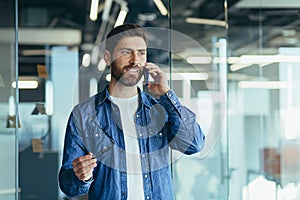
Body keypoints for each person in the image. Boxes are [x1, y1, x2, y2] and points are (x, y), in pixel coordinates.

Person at [59, 23, 205, 200]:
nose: (135, 60)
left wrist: (167, 94)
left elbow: (194, 145)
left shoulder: (160, 109)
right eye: (126, 52)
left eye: (141, 53)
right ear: (107, 57)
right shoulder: (84, 114)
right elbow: (69, 187)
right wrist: (81, 176)